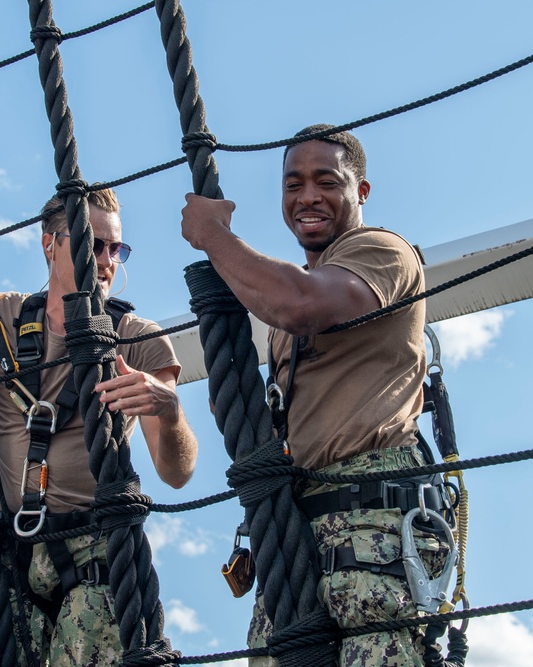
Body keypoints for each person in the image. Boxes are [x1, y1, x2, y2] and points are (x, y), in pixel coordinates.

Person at [0, 187, 198, 666]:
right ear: (49, 244)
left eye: (116, 249)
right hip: (9, 558)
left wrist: (170, 410)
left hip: (95, 556)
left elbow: (176, 472)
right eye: (92, 245)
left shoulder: (138, 339)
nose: (106, 260)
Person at [180, 125, 450, 666]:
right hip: (297, 538)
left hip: (373, 532)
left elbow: (302, 304)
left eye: (328, 181)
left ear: (361, 192)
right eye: (293, 184)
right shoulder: (289, 304)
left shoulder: (381, 252)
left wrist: (214, 236)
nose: (307, 197)